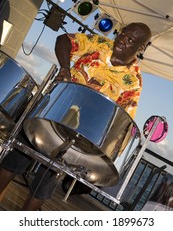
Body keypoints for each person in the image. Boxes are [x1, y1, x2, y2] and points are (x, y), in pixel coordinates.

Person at [0, 22, 152, 210]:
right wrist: (65, 68)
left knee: (44, 185)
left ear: (141, 48)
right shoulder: (99, 43)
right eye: (122, 34)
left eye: (130, 40)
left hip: (77, 136)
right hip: (53, 111)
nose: (121, 40)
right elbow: (64, 40)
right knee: (14, 160)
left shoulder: (133, 83)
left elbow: (120, 125)